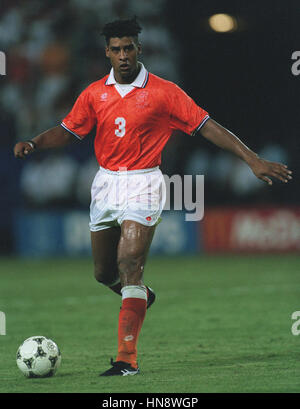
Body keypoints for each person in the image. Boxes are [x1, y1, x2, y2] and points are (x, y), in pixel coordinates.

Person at [13, 17, 292, 377]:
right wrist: (35, 142)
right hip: (106, 184)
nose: (123, 55)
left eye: (129, 47)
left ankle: (127, 359)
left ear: (139, 49)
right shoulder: (94, 93)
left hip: (144, 183)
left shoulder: (165, 92)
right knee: (102, 273)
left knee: (130, 264)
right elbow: (69, 130)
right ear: (107, 53)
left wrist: (253, 160)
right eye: (116, 49)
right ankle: (140, 295)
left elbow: (209, 127)